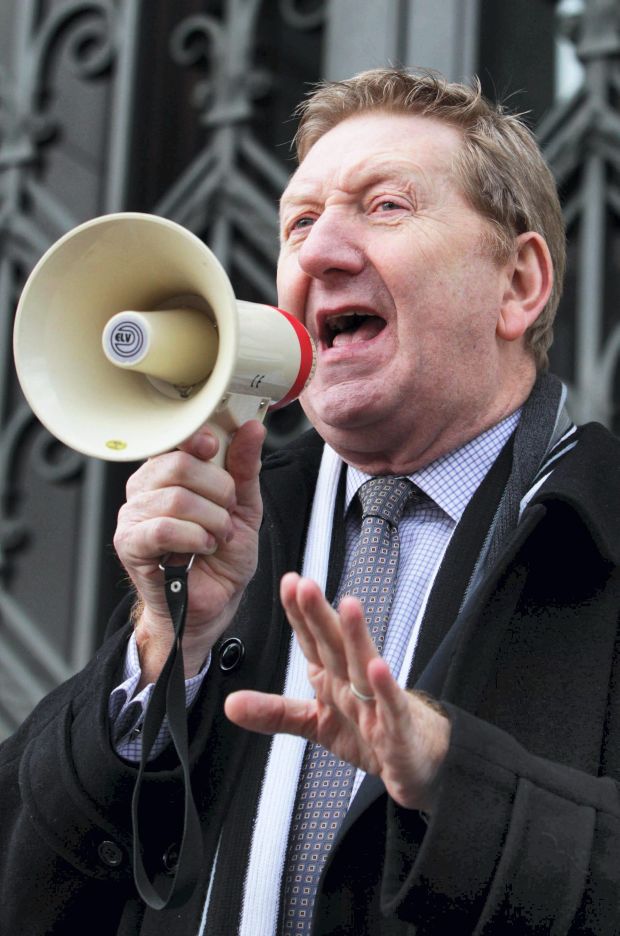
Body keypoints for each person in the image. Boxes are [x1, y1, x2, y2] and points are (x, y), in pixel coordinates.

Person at [2, 67, 619, 935]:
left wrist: (453, 777)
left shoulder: (599, 525)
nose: (320, 252)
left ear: (518, 284)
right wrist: (163, 652)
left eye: (386, 206)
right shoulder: (235, 525)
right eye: (299, 222)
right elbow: (29, 880)